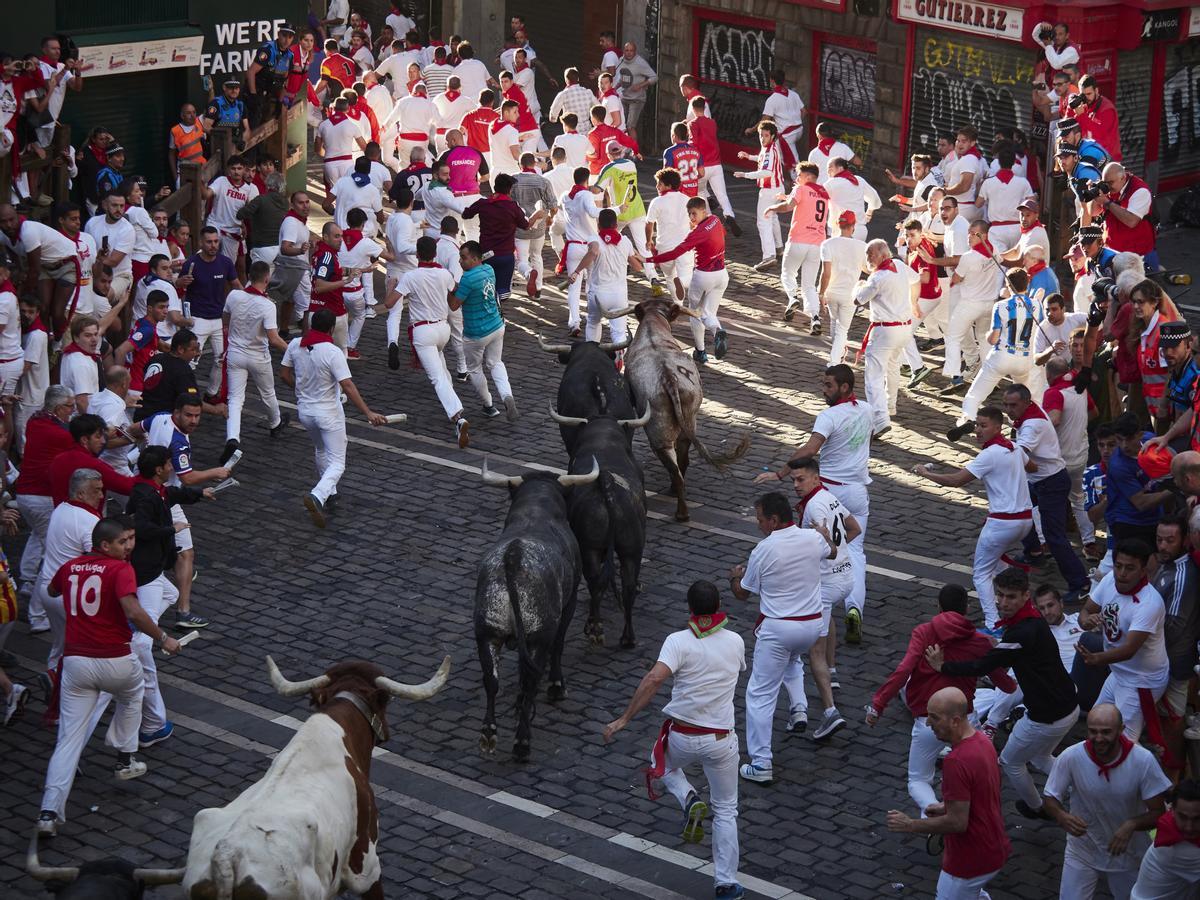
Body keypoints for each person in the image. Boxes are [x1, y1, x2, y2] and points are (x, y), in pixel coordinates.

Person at [34, 515, 182, 838]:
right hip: (115, 659)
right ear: (105, 545)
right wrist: (163, 638)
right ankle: (125, 756)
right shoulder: (121, 570)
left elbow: (52, 589)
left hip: (75, 664)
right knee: (133, 695)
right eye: (123, 542)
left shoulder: (71, 566)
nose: (129, 546)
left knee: (68, 740)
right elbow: (133, 611)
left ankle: (49, 811)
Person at [602, 580, 746, 900]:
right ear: (719, 605)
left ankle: (689, 799)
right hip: (722, 741)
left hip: (683, 735)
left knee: (661, 763)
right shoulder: (736, 642)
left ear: (690, 609)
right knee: (726, 811)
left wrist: (624, 719)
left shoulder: (677, 642)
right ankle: (725, 883)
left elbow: (654, 678)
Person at [928, 567, 1080, 821]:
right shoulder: (1032, 621)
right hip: (1067, 706)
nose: (1002, 602)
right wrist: (1001, 647)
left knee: (1010, 762)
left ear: (1025, 596)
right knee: (1041, 756)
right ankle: (1080, 789)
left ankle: (1037, 807)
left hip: (1046, 716)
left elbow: (982, 667)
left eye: (1011, 597)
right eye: (1000, 595)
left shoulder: (1021, 632)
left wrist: (943, 666)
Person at [869, 584, 1016, 815]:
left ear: (938, 606)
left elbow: (903, 670)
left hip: (929, 720)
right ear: (967, 608)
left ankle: (931, 820)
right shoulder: (979, 641)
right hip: (965, 720)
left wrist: (878, 705)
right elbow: (1003, 682)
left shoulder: (924, 632)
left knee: (918, 780)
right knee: (982, 770)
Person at [729, 492, 841, 785]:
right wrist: (824, 535)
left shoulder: (763, 550)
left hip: (779, 630)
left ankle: (761, 762)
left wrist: (733, 577)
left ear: (774, 520)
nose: (758, 524)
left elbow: (742, 593)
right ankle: (799, 709)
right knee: (793, 661)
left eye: (760, 519)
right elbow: (831, 551)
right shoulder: (812, 538)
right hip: (812, 626)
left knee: (760, 694)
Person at [756, 365, 873, 640]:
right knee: (855, 552)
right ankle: (855, 608)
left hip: (828, 491)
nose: (824, 390)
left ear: (844, 387)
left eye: (829, 385)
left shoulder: (828, 416)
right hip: (858, 491)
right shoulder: (867, 409)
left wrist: (780, 473)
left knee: (815, 549)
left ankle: (815, 608)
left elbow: (810, 449)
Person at [886, 687, 1011, 899]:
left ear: (955, 720)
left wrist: (911, 825)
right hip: (993, 847)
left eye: (933, 718)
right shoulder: (983, 742)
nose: (928, 723)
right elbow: (982, 792)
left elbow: (957, 823)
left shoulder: (956, 762)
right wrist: (946, 805)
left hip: (969, 858)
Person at [125, 445, 211, 749]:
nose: (172, 467)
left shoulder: (155, 489)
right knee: (143, 644)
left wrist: (201, 494)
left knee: (172, 592)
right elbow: (142, 527)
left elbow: (175, 495)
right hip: (146, 574)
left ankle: (139, 624)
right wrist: (169, 529)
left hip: (154, 572)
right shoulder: (145, 496)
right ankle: (140, 632)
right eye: (168, 464)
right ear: (159, 468)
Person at [913, 406, 1031, 627]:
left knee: (981, 573)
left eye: (983, 426)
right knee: (997, 564)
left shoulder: (990, 454)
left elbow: (957, 480)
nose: (977, 430)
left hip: (1003, 522)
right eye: (976, 425)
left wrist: (926, 473)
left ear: (998, 427)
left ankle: (993, 623)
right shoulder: (1014, 447)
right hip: (1024, 521)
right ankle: (1023, 603)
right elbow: (1032, 466)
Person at [1042, 703, 1170, 900]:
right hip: (1082, 850)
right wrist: (1061, 816)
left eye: (1106, 732)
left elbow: (1158, 812)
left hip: (1127, 853)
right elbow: (1050, 797)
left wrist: (1131, 824)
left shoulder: (1142, 761)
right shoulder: (1071, 756)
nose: (1098, 738)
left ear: (1121, 730)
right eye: (1093, 731)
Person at [280, 307, 388, 527]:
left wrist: (300, 390)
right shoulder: (332, 352)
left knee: (321, 450)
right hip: (328, 412)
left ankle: (332, 491)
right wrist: (368, 412)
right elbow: (347, 385)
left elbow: (284, 374)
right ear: (331, 328)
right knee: (338, 462)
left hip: (305, 412)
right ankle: (319, 494)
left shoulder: (294, 345)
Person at [131, 394, 230, 628]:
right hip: (165, 499)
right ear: (177, 413)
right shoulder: (179, 443)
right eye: (189, 415)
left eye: (197, 415)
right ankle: (179, 612)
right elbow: (187, 477)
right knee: (185, 554)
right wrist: (215, 473)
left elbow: (134, 429)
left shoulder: (158, 418)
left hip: (142, 487)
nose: (194, 421)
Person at [1079, 540, 1171, 749]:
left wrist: (1097, 659)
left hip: (1141, 681)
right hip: (1118, 673)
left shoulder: (1149, 603)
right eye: (1118, 565)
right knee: (1096, 725)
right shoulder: (1110, 579)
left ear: (1142, 571)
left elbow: (1129, 650)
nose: (1121, 573)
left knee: (1119, 743)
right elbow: (1086, 610)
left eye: (1130, 568)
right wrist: (1086, 621)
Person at [1005, 383, 1090, 604]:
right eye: (1005, 405)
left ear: (1026, 402)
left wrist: (995, 451)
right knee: (1021, 509)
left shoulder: (1032, 425)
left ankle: (1081, 583)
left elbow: (1019, 454)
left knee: (1055, 537)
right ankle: (1034, 552)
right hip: (1040, 480)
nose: (1008, 410)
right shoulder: (1031, 412)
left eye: (1013, 405)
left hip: (1050, 482)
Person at [386, 236, 470, 440]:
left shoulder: (410, 276)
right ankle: (454, 405)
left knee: (437, 377)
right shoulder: (445, 274)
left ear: (417, 253)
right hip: (443, 329)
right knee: (441, 368)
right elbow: (453, 298)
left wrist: (391, 286)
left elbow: (389, 303)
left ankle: (457, 416)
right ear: (435, 253)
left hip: (423, 332)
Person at [790, 457, 860, 699]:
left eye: (801, 479)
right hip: (846, 578)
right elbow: (855, 528)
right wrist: (839, 551)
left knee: (814, 650)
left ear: (816, 478)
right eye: (793, 480)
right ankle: (832, 669)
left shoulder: (813, 508)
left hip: (826, 584)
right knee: (828, 620)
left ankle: (829, 704)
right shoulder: (829, 497)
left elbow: (813, 548)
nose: (796, 485)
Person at [951, 269, 1044, 436]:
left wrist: (987, 335)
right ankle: (1019, 426)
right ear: (1027, 282)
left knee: (975, 394)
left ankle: (969, 418)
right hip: (1024, 359)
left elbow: (993, 339)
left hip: (1001, 357)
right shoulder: (1036, 305)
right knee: (1024, 396)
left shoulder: (1001, 306)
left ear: (1008, 285)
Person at [645, 197, 729, 364]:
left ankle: (701, 352)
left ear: (703, 211)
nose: (691, 217)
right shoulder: (716, 220)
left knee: (696, 314)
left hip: (702, 276)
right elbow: (721, 234)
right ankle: (717, 331)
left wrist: (649, 260)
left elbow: (675, 253)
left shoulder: (696, 234)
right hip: (722, 275)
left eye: (694, 214)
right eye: (689, 214)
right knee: (709, 313)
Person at [221, 260, 290, 462]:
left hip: (235, 353)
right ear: (267, 279)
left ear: (249, 276)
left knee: (235, 399)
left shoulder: (234, 296)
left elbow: (225, 320)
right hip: (258, 356)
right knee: (267, 392)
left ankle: (232, 437)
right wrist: (292, 350)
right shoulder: (267, 305)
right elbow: (273, 338)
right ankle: (275, 422)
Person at [1149, 514, 1199, 779]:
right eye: (1160, 539)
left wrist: (1139, 642)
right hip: (1163, 659)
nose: (1164, 546)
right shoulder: (1166, 566)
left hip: (1172, 663)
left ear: (1185, 540)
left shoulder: (1182, 574)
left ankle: (1173, 780)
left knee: (1172, 724)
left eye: (1170, 540)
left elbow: (1173, 626)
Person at [852, 239, 920, 437]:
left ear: (882, 254)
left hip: (885, 331)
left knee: (873, 375)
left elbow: (857, 300)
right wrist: (912, 302)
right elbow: (916, 280)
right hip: (904, 329)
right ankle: (890, 406)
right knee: (892, 367)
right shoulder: (898, 264)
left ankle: (880, 419)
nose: (868, 258)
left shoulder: (878, 278)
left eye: (870, 254)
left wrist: (858, 285)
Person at [449, 241, 515, 430]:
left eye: (464, 257)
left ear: (475, 258)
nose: (460, 261)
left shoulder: (468, 279)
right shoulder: (489, 270)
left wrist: (449, 290)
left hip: (476, 333)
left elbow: (454, 305)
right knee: (496, 363)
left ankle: (489, 405)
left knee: (475, 369)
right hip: (496, 325)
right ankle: (506, 395)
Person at [1043, 357, 1099, 557]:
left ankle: (1044, 542)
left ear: (1049, 375)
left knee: (1044, 500)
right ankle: (1090, 543)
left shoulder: (1053, 393)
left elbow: (1054, 419)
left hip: (1058, 459)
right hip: (1080, 454)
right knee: (1078, 499)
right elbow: (1094, 413)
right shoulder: (1080, 389)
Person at [176, 226, 240, 401]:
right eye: (209, 242)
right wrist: (180, 282)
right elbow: (179, 287)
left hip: (219, 319)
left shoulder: (225, 262)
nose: (213, 245)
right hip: (197, 319)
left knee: (222, 359)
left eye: (216, 241)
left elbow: (236, 285)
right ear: (201, 243)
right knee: (190, 361)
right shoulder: (191, 263)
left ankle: (211, 394)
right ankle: (184, 394)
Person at [764, 161, 829, 332]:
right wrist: (787, 197)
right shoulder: (823, 193)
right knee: (809, 285)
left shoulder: (801, 189)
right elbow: (807, 203)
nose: (797, 179)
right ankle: (815, 318)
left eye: (799, 176)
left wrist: (772, 207)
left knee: (788, 273)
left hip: (799, 240)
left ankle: (792, 297)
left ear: (808, 177)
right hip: (817, 244)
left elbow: (789, 206)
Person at [571, 207, 643, 349]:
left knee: (593, 322)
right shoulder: (625, 241)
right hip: (619, 295)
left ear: (598, 225)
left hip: (598, 294)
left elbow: (593, 251)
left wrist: (576, 271)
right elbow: (637, 267)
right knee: (619, 332)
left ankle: (592, 352)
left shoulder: (594, 238)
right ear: (616, 225)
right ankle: (619, 354)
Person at [47, 413, 137, 505]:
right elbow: (127, 487)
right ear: (84, 440)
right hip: (86, 516)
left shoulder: (57, 460)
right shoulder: (92, 465)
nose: (103, 441)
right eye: (98, 437)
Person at [1130, 779, 1200, 897]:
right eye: (1182, 817)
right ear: (1172, 811)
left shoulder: (1169, 827)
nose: (1189, 827)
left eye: (1197, 819)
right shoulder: (1178, 850)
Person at [733, 121, 786, 272]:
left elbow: (766, 171)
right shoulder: (771, 147)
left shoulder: (769, 150)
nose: (762, 138)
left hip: (769, 190)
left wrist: (745, 175)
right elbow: (763, 160)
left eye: (766, 135)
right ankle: (779, 247)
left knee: (763, 222)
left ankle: (768, 256)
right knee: (773, 217)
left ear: (773, 136)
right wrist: (749, 156)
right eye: (761, 135)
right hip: (777, 188)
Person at [556, 166, 603, 337]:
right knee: (591, 285)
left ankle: (574, 322)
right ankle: (592, 318)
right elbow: (593, 212)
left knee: (573, 288)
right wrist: (616, 209)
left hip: (573, 246)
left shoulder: (565, 196)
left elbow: (563, 207)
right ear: (587, 179)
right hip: (590, 246)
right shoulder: (586, 195)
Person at [820, 211, 869, 364]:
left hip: (832, 291)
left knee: (834, 323)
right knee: (842, 329)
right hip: (850, 294)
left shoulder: (827, 244)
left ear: (838, 225)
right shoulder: (862, 246)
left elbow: (825, 273)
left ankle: (839, 353)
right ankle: (834, 362)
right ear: (853, 226)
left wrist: (821, 293)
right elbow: (867, 269)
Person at [688, 98, 738, 236]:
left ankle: (709, 222)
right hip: (716, 164)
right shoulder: (712, 123)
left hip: (703, 165)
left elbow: (694, 144)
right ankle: (729, 215)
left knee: (701, 192)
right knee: (722, 194)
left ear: (693, 109)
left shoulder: (693, 123)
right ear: (705, 108)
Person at [645, 167, 693, 302]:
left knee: (670, 278)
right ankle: (683, 282)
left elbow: (649, 223)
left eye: (659, 183)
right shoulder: (687, 199)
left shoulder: (657, 202)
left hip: (665, 247)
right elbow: (693, 222)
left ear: (668, 185)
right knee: (686, 275)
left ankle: (678, 304)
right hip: (684, 246)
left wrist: (649, 240)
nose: (657, 186)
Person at [976, 144, 1035, 253]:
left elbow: (978, 204)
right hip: (1018, 228)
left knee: (1000, 265)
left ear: (998, 162)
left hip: (996, 231)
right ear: (1013, 162)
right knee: (1018, 265)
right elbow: (1032, 204)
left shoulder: (988, 183)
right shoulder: (1023, 182)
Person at [269, 191, 312, 336]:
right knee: (307, 306)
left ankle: (283, 331)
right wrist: (300, 251)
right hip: (297, 270)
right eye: (301, 203)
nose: (305, 206)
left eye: (307, 202)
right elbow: (285, 248)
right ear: (292, 205)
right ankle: (308, 340)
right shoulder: (292, 223)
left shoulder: (298, 221)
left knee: (289, 300)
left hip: (295, 268)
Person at [315, 97, 367, 191]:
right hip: (347, 163)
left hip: (329, 163)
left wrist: (326, 155)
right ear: (347, 110)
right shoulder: (352, 126)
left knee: (334, 193)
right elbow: (364, 147)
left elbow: (317, 149)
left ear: (333, 108)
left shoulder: (323, 125)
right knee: (347, 192)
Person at [823, 157, 880, 242]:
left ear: (840, 168)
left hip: (841, 230)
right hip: (860, 230)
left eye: (830, 168)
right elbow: (875, 199)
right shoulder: (859, 180)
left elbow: (818, 198)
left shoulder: (831, 183)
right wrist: (869, 213)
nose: (828, 172)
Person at [615, 42, 657, 145]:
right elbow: (623, 77)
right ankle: (624, 149)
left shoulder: (640, 63)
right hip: (624, 97)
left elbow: (654, 77)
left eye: (631, 51)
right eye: (627, 50)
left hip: (637, 99)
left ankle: (635, 152)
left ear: (635, 51)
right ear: (623, 51)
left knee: (630, 126)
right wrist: (614, 88)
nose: (629, 53)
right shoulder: (621, 60)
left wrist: (641, 85)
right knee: (622, 125)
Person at [58, 315, 101, 414]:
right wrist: (91, 425)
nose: (94, 339)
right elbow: (81, 401)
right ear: (76, 338)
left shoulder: (75, 353)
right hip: (82, 420)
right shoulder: (81, 363)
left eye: (95, 334)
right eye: (88, 335)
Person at [1074, 75, 1121, 162]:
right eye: (1083, 95)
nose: (1086, 98)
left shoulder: (1107, 109)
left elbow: (1099, 133)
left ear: (1096, 90)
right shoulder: (1085, 105)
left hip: (1107, 159)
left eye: (1089, 94)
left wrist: (1081, 115)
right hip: (1091, 154)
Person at [548, 68, 597, 136]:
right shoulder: (588, 92)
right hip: (588, 132)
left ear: (566, 80)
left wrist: (558, 120)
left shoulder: (563, 94)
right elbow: (598, 108)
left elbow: (552, 117)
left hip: (571, 133)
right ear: (578, 79)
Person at [201, 79, 250, 145]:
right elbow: (206, 127)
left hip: (234, 146)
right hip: (216, 146)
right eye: (231, 88)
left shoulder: (240, 105)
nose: (234, 91)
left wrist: (243, 141)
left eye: (236, 88)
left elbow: (247, 129)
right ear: (224, 88)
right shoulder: (216, 103)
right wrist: (223, 137)